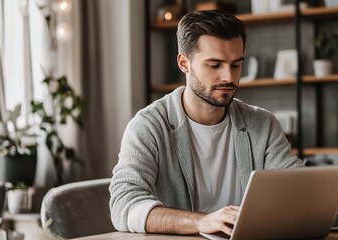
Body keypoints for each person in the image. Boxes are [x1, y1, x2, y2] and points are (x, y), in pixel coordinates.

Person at [109, 9, 304, 236]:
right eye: (215, 65)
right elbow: (123, 205)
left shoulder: (262, 124)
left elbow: (299, 185)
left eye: (236, 65)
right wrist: (202, 222)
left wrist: (322, 198)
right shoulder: (149, 126)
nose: (229, 77)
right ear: (184, 63)